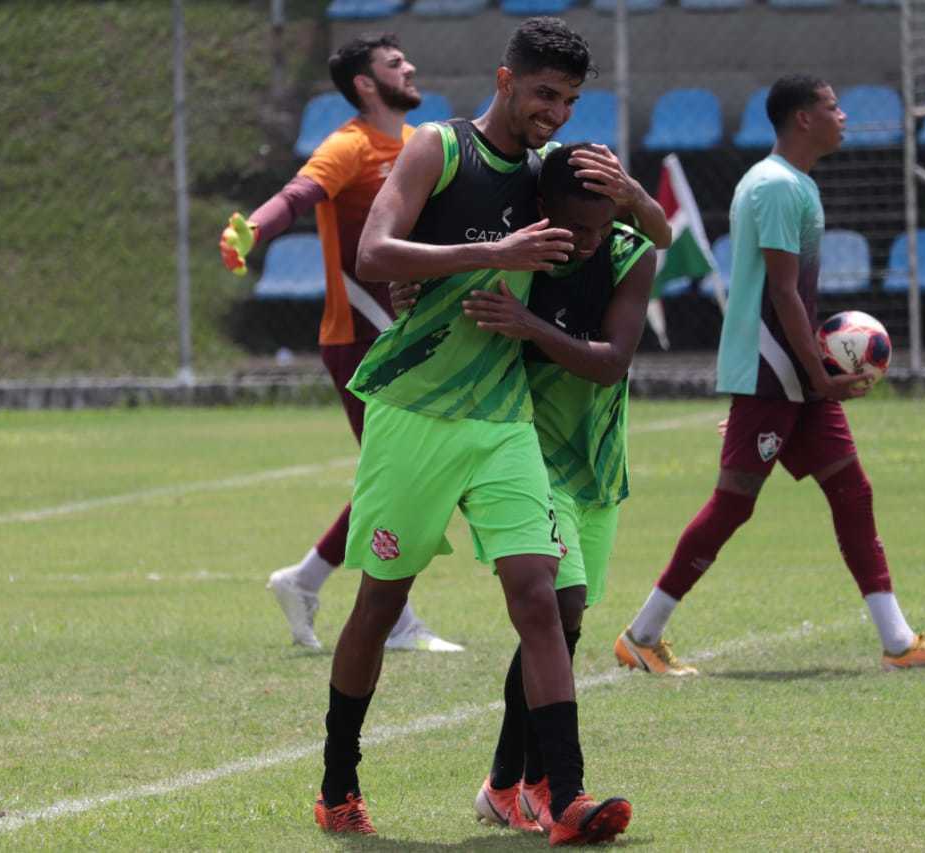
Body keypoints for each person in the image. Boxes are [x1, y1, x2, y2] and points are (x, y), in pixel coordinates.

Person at [313, 19, 633, 845]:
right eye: (543, 94)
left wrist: (633, 201)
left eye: (568, 100)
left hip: (500, 419)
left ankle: (563, 796)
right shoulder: (436, 150)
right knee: (379, 604)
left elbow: (641, 240)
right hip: (413, 415)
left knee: (542, 598)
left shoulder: (543, 179)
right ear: (505, 80)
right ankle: (337, 783)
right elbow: (377, 252)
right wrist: (484, 253)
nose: (554, 113)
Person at [613, 74, 925, 677]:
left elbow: (787, 295)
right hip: (775, 372)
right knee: (733, 504)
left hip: (793, 376)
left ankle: (898, 642)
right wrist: (822, 375)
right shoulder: (778, 187)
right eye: (834, 107)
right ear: (803, 118)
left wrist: (815, 378)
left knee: (852, 492)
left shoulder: (792, 183)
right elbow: (783, 294)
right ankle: (641, 635)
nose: (844, 117)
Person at [219, 33, 460, 653]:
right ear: (365, 83)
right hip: (359, 339)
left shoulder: (417, 143)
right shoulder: (348, 145)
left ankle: (305, 580)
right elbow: (298, 196)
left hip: (407, 335)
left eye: (406, 58)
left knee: (405, 474)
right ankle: (395, 621)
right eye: (394, 63)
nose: (409, 66)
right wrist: (252, 232)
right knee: (401, 476)